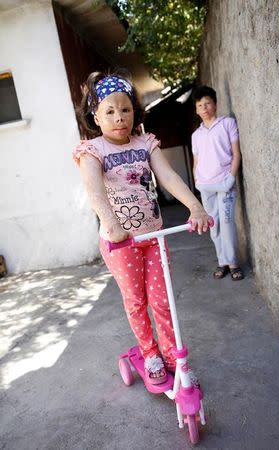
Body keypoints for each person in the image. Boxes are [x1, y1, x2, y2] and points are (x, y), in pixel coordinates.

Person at [73, 71, 211, 385]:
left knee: (162, 301)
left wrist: (195, 206)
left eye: (125, 109)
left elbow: (169, 177)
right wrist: (112, 224)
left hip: (154, 238)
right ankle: (149, 353)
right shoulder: (92, 151)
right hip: (120, 243)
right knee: (136, 301)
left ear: (135, 110)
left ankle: (170, 351)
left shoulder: (145, 143)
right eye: (109, 111)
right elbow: (94, 191)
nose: (119, 117)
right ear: (96, 116)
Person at [191, 85, 244, 281]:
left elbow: (236, 153)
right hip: (205, 186)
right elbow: (196, 160)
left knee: (228, 223)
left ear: (215, 104)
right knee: (214, 226)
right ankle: (222, 261)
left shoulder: (227, 124)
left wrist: (231, 177)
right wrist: (197, 180)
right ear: (196, 109)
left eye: (208, 103)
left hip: (224, 182)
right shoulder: (196, 135)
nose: (205, 108)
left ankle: (233, 264)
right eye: (200, 105)